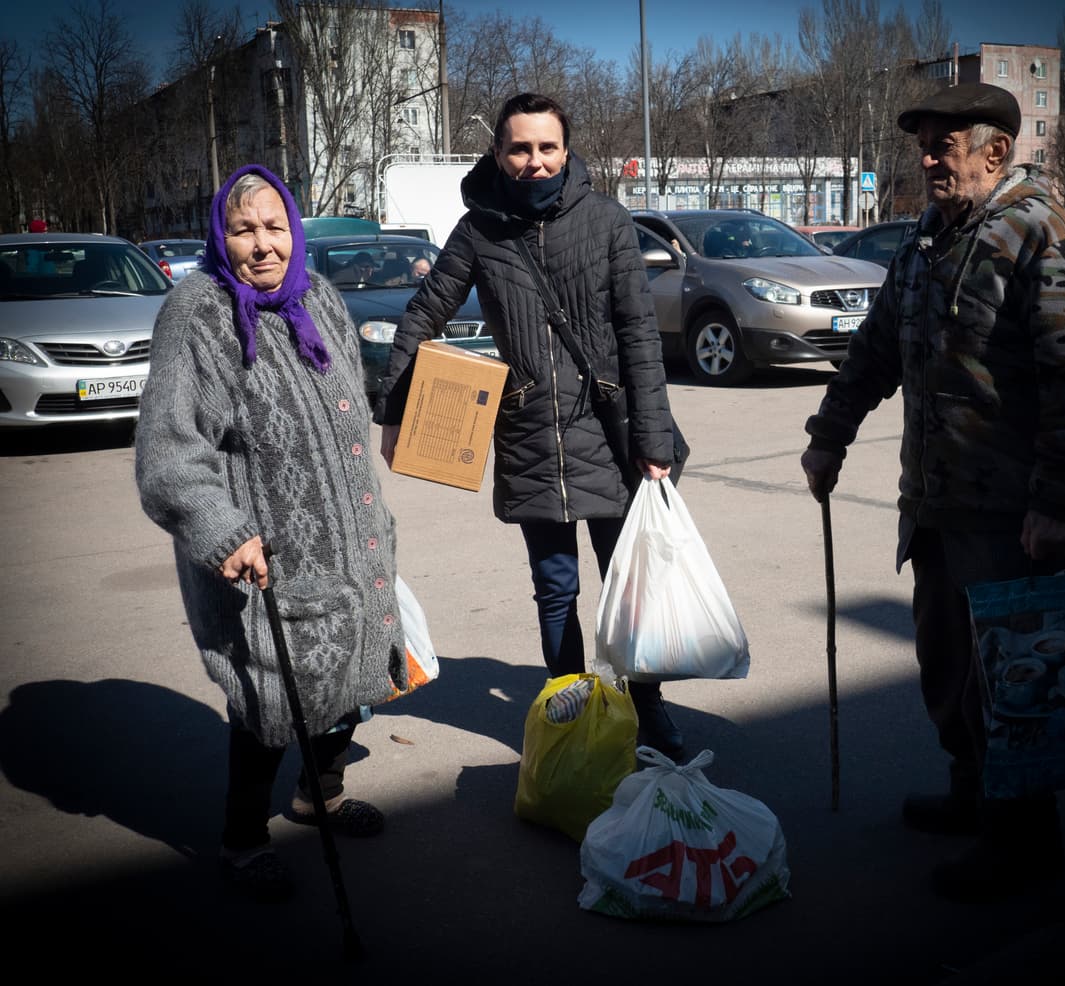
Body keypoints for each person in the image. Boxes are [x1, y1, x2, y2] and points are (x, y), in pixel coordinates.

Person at [800, 83, 1065, 900]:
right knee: (948, 667)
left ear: (995, 151)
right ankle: (972, 794)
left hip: (1013, 516)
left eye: (945, 144)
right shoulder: (926, 241)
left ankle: (1023, 841)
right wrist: (828, 435)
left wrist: (1058, 502)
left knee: (1014, 678)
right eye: (925, 143)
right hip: (938, 505)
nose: (929, 157)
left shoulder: (1039, 233)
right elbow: (876, 350)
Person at [374, 92, 685, 759]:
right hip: (528, 434)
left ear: (567, 152)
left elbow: (639, 335)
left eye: (547, 147)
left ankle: (649, 710)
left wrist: (654, 441)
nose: (535, 161)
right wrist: (395, 409)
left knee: (626, 586)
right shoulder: (479, 231)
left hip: (608, 432)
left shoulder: (605, 221)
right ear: (499, 154)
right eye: (520, 148)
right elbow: (424, 312)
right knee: (555, 588)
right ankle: (570, 716)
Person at [135, 164, 406, 901]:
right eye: (244, 228)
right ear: (220, 237)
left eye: (275, 226)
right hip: (260, 556)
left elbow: (351, 395)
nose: (263, 245)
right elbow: (168, 454)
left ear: (295, 228)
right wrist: (223, 532)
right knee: (266, 700)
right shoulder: (198, 311)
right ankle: (242, 838)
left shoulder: (319, 297)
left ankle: (319, 796)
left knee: (349, 677)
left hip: (348, 543)